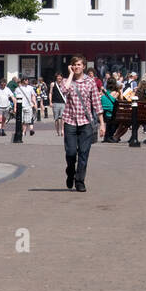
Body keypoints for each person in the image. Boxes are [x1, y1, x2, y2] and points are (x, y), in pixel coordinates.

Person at [59, 55, 104, 192]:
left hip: (86, 123)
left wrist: (102, 123)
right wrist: (71, 74)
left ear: (84, 66)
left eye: (79, 65)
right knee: (71, 152)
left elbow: (96, 102)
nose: (77, 67)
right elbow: (64, 90)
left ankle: (80, 181)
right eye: (74, 65)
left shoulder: (90, 82)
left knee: (84, 153)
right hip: (70, 121)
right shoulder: (67, 81)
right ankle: (70, 172)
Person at [49, 72, 67, 136]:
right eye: (58, 76)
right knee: (56, 118)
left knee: (63, 118)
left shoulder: (64, 84)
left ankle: (62, 130)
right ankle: (57, 131)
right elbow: (50, 93)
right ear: (56, 77)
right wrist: (50, 102)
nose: (59, 77)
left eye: (60, 76)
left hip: (63, 103)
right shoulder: (53, 84)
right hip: (55, 103)